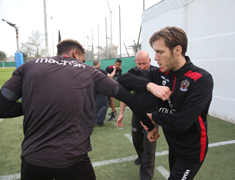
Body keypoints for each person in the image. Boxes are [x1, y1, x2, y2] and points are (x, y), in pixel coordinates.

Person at [0, 39, 161, 180]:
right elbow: (129, 98)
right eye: (83, 59)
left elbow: (3, 107)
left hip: (32, 160)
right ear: (75, 53)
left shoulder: (28, 66)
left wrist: (35, 105)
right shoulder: (89, 71)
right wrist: (150, 126)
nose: (83, 63)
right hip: (73, 160)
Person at [117, 26, 214, 180]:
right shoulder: (160, 74)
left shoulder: (201, 79)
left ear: (177, 50)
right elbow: (122, 80)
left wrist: (153, 117)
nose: (155, 58)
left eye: (160, 52)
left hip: (191, 152)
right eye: (155, 52)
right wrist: (150, 86)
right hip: (174, 146)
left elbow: (180, 121)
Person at [117, 50, 159, 180]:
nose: (142, 66)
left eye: (145, 63)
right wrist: (121, 113)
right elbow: (125, 95)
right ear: (135, 62)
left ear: (150, 61)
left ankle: (146, 176)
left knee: (149, 146)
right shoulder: (132, 74)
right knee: (136, 140)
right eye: (139, 63)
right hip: (137, 114)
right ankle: (141, 157)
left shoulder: (157, 73)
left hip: (152, 116)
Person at [93, 60, 116, 126]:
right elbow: (111, 76)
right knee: (104, 105)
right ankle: (99, 121)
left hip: (93, 91)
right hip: (101, 90)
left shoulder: (90, 71)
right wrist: (114, 70)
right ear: (98, 64)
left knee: (96, 106)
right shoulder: (100, 70)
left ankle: (94, 119)